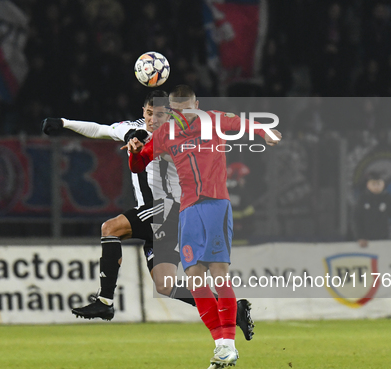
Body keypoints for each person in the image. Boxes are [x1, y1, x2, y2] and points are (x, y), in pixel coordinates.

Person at [41, 91, 254, 341]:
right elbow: (99, 130)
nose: (154, 119)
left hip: (170, 208)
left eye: (160, 114)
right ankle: (231, 309)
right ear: (143, 112)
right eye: (149, 113)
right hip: (154, 214)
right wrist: (64, 123)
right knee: (164, 285)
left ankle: (105, 300)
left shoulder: (179, 134)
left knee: (110, 228)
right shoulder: (134, 128)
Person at [126, 85, 281, 369]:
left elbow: (243, 123)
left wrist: (264, 131)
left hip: (215, 206)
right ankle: (221, 345)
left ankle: (228, 343)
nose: (184, 113)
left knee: (218, 273)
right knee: (195, 278)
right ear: (172, 110)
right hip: (188, 211)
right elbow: (139, 164)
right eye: (178, 109)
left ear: (197, 104)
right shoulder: (165, 134)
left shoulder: (214, 120)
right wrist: (134, 153)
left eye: (188, 107)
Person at [354, 171, 391, 248]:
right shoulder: (362, 199)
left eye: (379, 184)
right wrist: (360, 237)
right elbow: (356, 219)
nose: (376, 187)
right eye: (373, 184)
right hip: (367, 240)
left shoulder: (388, 198)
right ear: (368, 185)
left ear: (383, 184)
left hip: (385, 238)